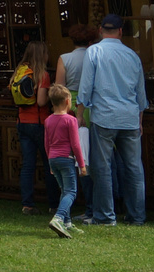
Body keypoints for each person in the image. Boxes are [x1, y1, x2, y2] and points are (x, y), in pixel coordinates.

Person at [79, 11, 148, 225]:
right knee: (134, 168)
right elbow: (141, 94)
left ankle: (105, 215)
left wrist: (80, 115)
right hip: (129, 117)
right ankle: (137, 216)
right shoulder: (132, 56)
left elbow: (85, 87)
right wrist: (140, 121)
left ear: (100, 30)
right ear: (120, 31)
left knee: (102, 168)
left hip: (104, 117)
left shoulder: (94, 52)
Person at [12, 39, 55, 214]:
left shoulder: (20, 72)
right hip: (40, 123)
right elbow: (41, 101)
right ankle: (53, 204)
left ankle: (27, 204)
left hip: (22, 122)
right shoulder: (42, 75)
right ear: (42, 55)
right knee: (49, 165)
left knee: (27, 165)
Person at [44, 83, 88, 238]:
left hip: (53, 159)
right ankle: (58, 217)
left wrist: (50, 160)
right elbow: (75, 144)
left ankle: (67, 223)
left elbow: (47, 143)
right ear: (68, 102)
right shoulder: (70, 120)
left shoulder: (48, 120)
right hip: (66, 159)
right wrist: (81, 164)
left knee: (64, 190)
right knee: (71, 191)